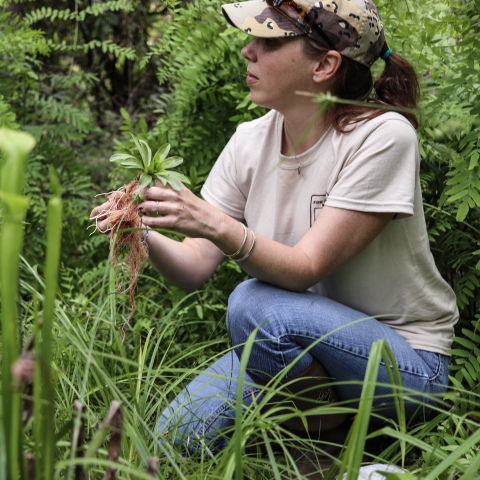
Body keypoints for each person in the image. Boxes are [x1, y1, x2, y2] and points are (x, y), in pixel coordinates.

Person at [91, 0, 459, 473]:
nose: (248, 51)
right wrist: (140, 227)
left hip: (402, 362)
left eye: (268, 42)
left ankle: (330, 448)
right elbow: (194, 266)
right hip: (295, 350)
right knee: (177, 433)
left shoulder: (382, 137)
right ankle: (331, 420)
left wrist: (218, 225)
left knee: (252, 304)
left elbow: (306, 267)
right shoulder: (250, 140)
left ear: (325, 65)